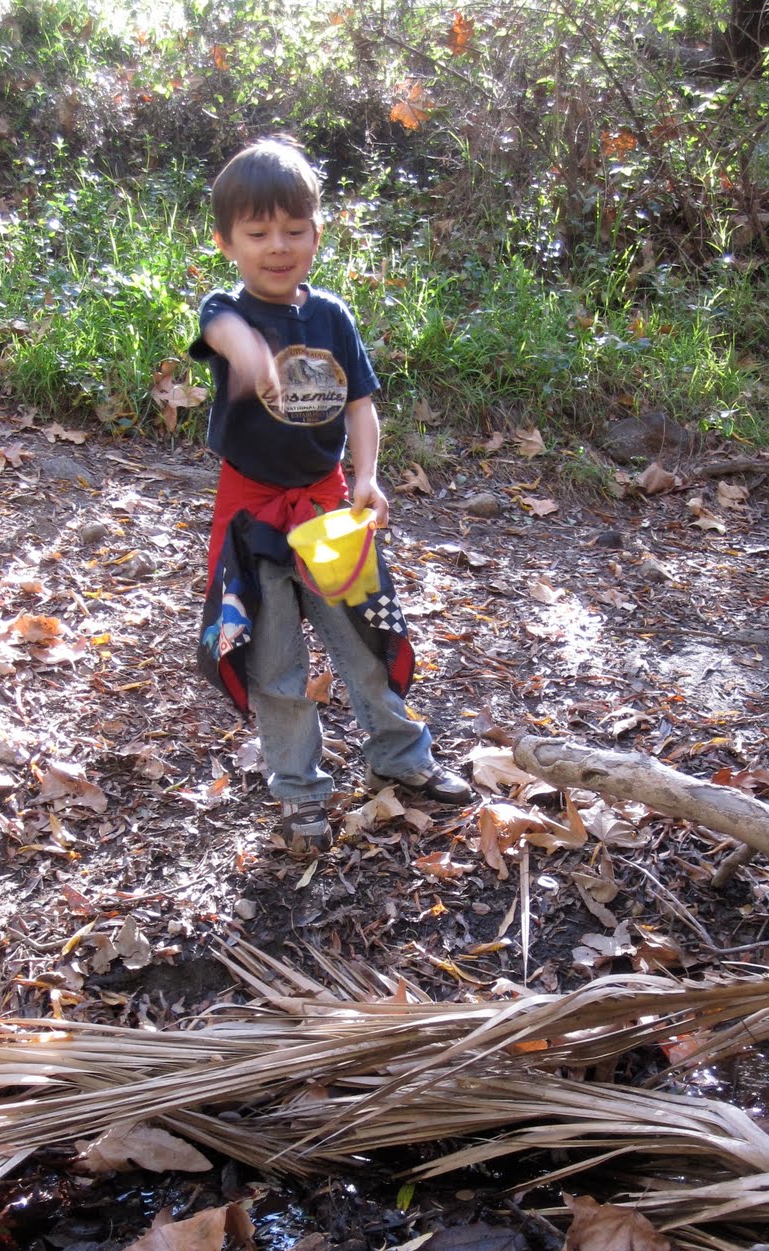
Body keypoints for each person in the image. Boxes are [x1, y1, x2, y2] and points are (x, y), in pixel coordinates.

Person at [190, 137, 472, 856]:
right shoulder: (226, 310)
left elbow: (360, 407)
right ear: (227, 241)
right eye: (257, 233)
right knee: (277, 664)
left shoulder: (333, 318)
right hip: (254, 517)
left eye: (294, 230)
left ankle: (401, 757)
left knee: (363, 640)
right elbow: (222, 332)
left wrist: (368, 477)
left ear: (317, 232)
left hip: (328, 508)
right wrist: (250, 354)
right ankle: (301, 794)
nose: (277, 247)